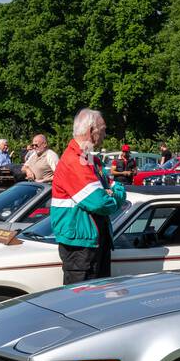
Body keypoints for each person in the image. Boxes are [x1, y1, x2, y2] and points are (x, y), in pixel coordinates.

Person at [52, 108, 125, 283]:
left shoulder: (87, 158)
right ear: (91, 131)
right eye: (104, 129)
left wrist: (112, 191)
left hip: (89, 242)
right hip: (80, 246)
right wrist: (116, 195)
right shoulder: (74, 160)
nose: (105, 134)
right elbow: (99, 202)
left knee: (95, 301)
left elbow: (110, 187)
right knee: (81, 303)